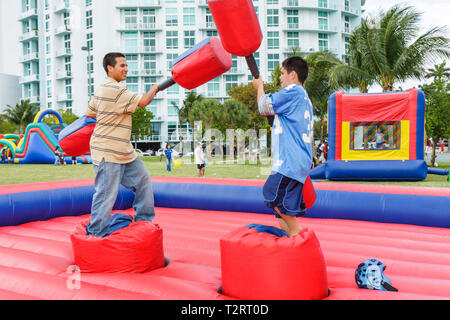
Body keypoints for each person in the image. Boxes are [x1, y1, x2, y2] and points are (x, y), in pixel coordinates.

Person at [85, 52, 159, 237]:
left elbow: (90, 111)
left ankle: (144, 222)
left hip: (124, 151)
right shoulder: (115, 90)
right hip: (107, 151)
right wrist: (154, 89)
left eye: (127, 66)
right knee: (106, 194)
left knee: (143, 181)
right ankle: (95, 235)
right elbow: (143, 101)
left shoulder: (103, 88)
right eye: (122, 66)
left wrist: (111, 112)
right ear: (110, 68)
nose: (126, 69)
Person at [253, 56, 313, 237]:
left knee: (273, 196)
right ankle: (291, 241)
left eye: (282, 73)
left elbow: (264, 106)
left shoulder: (293, 91)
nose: (280, 77)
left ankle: (299, 238)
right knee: (280, 209)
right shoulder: (303, 97)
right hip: (297, 161)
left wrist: (259, 87)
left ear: (293, 75)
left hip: (289, 161)